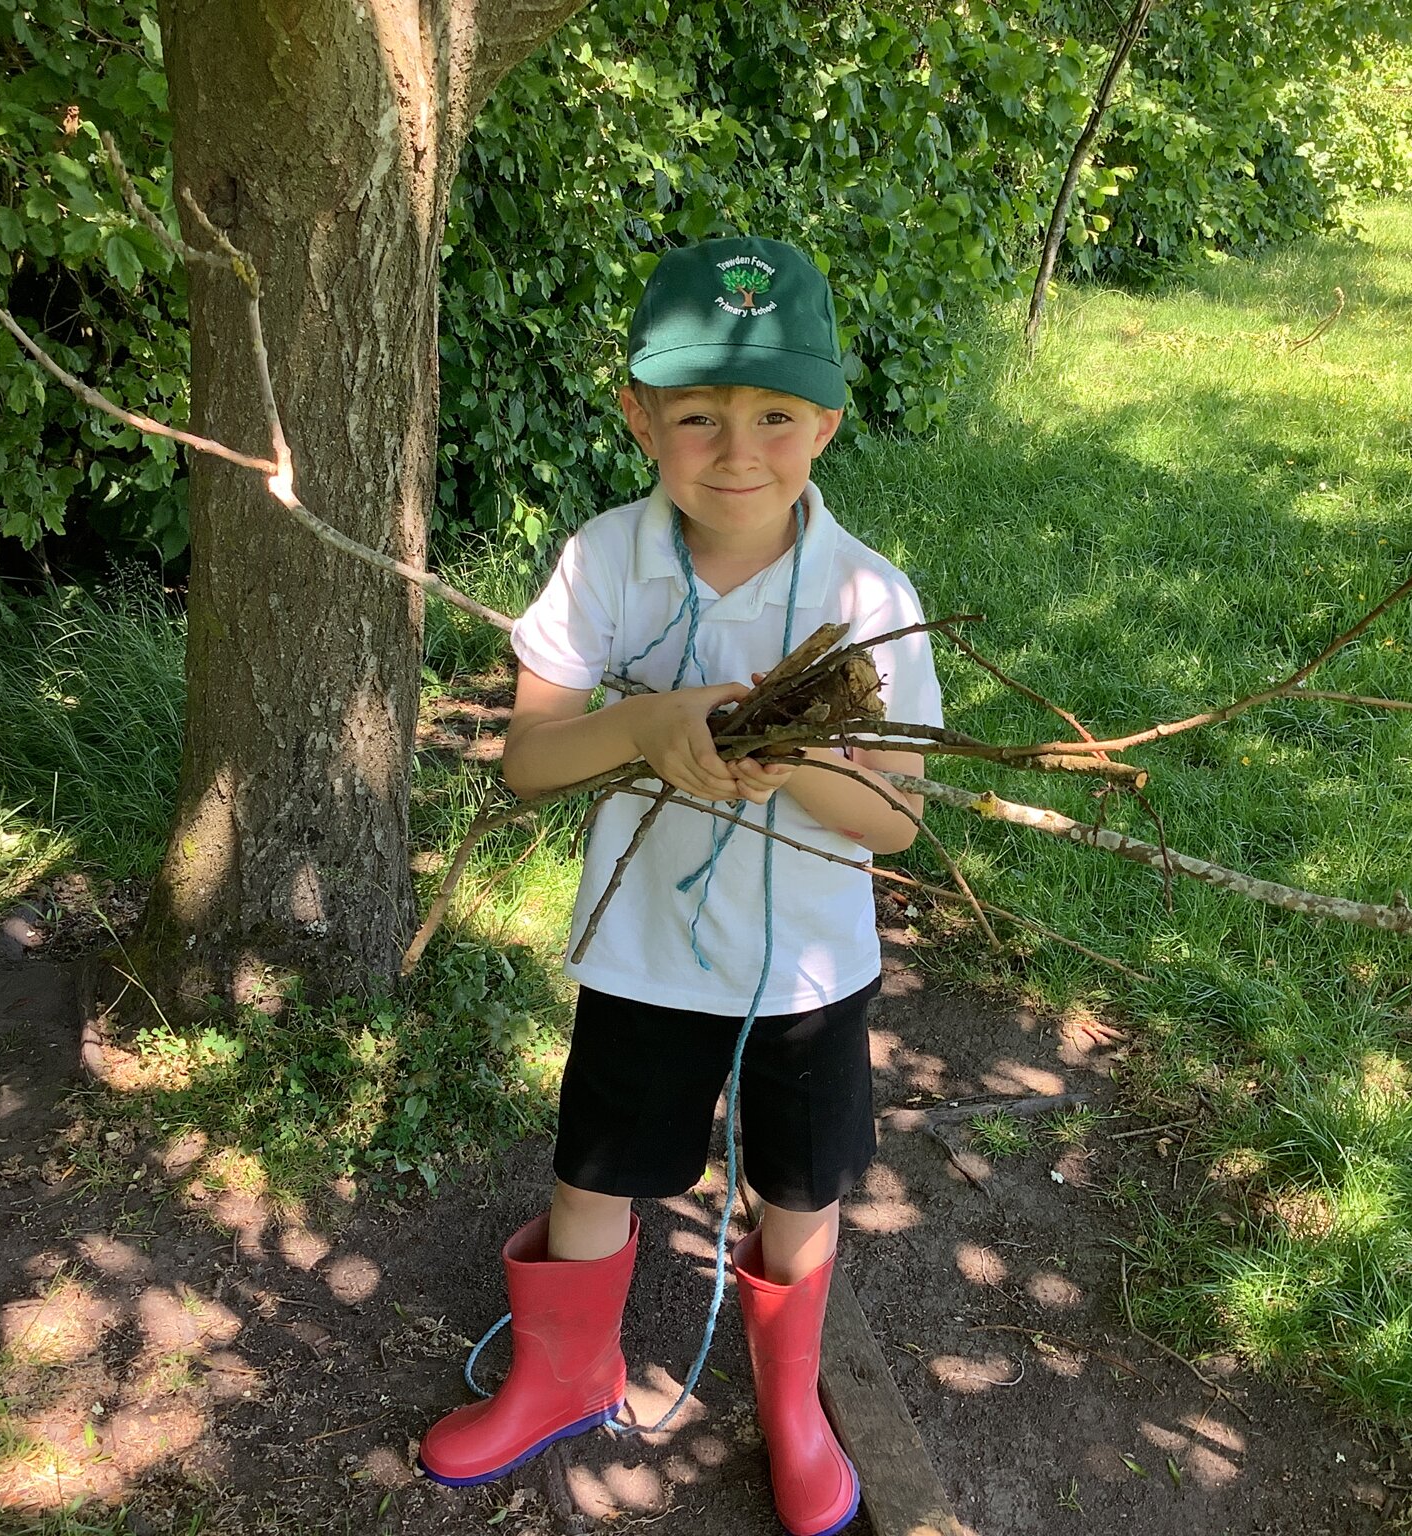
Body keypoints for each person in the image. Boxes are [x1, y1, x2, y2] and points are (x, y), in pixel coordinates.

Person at [416, 237, 943, 1536]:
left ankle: (793, 1395)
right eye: (697, 415)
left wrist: (795, 761)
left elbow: (901, 822)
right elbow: (532, 760)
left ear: (826, 418)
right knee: (599, 1161)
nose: (736, 448)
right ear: (637, 413)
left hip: (811, 969)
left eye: (775, 416)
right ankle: (564, 1372)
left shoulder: (870, 594)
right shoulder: (604, 563)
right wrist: (650, 725)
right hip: (644, 950)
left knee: (804, 1182)